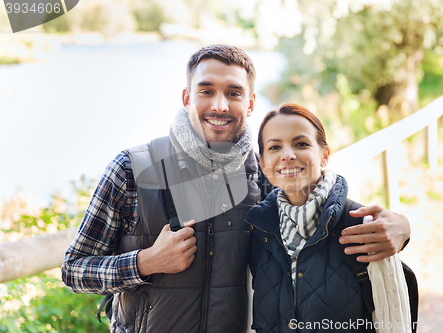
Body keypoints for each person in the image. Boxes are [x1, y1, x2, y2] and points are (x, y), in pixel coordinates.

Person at [61, 44, 411, 333]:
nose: (219, 105)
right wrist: (146, 262)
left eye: (233, 93)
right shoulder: (132, 169)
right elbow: (73, 270)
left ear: (251, 103)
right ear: (186, 97)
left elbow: (315, 210)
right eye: (206, 91)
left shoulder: (260, 173)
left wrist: (401, 228)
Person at [247, 103, 410, 332]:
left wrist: (404, 226)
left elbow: (395, 324)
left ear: (324, 155)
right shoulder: (260, 233)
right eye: (275, 147)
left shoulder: (365, 229)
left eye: (301, 144)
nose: (288, 155)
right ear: (263, 164)